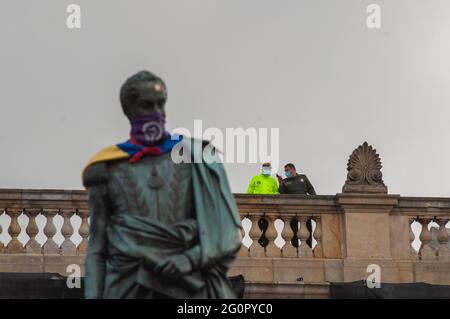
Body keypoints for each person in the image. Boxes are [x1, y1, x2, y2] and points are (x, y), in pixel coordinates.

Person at [82, 71, 242, 299]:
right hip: (128, 287)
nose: (156, 113)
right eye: (147, 105)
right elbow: (97, 249)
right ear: (129, 110)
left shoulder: (198, 157)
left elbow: (227, 234)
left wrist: (189, 259)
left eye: (161, 104)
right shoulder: (105, 169)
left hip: (189, 289)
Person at [276, 163, 316, 247]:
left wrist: (315, 201)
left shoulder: (303, 177)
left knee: (308, 229)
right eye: (285, 171)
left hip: (305, 208)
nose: (286, 172)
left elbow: (311, 189)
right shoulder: (285, 181)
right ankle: (295, 247)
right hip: (292, 209)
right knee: (293, 230)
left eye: (287, 170)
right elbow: (282, 194)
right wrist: (280, 183)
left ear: (293, 169)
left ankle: (308, 247)